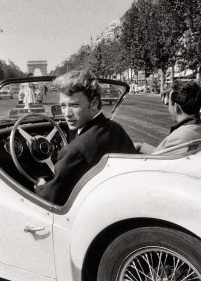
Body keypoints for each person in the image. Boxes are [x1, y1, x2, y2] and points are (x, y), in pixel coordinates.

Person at [35, 70, 136, 205]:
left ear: (94, 103)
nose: (67, 113)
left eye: (74, 105)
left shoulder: (74, 151)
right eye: (63, 106)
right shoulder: (116, 128)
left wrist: (40, 186)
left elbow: (49, 197)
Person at [136, 79, 201, 155]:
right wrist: (141, 147)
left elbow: (159, 161)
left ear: (176, 107)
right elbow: (166, 153)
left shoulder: (179, 137)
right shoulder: (198, 128)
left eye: (169, 102)